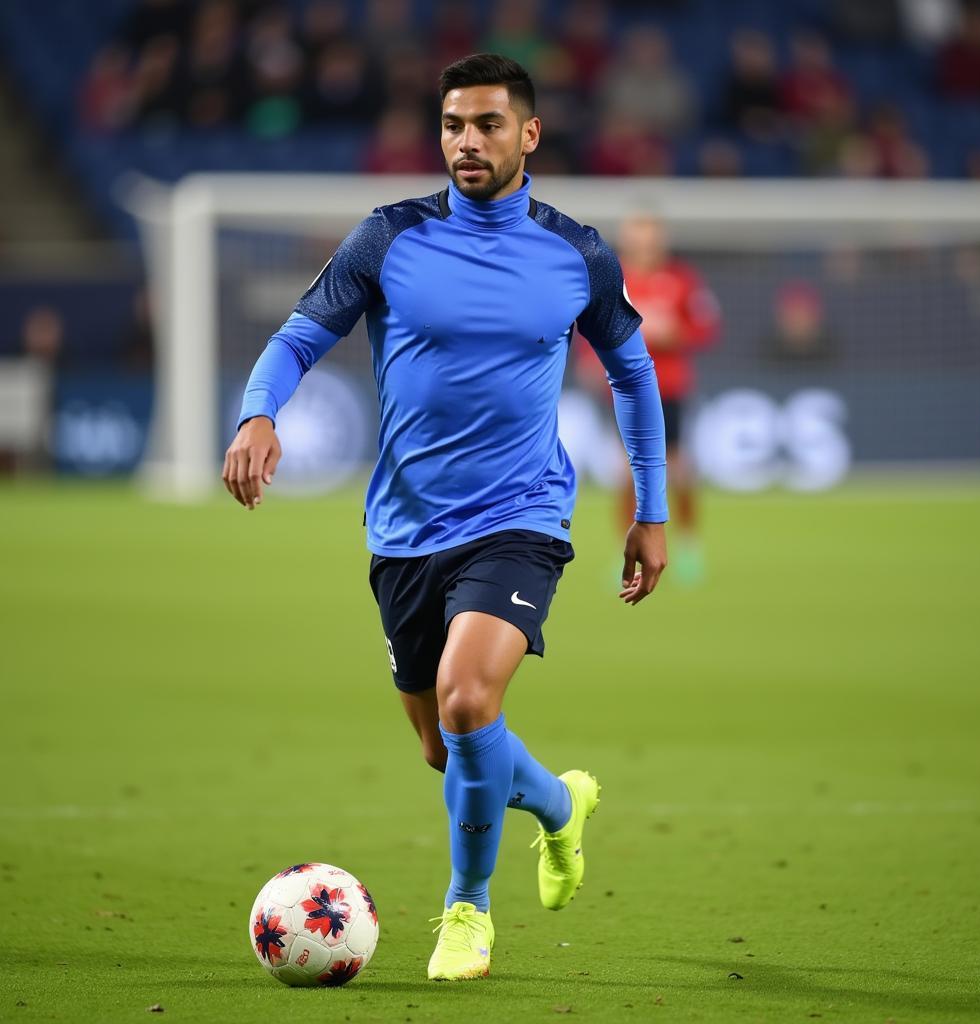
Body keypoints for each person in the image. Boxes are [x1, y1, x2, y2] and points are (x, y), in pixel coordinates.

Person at [223, 53, 668, 982]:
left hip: (523, 516)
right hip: (405, 530)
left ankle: (466, 911)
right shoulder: (389, 238)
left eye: (489, 125)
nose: (468, 141)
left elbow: (633, 373)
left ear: (529, 134)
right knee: (443, 746)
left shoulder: (575, 251)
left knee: (470, 701)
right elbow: (299, 337)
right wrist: (260, 411)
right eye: (455, 125)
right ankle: (557, 805)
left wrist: (650, 509)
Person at [579, 213, 718, 583]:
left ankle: (688, 546)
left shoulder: (682, 279)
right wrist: (591, 362)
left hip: (668, 387)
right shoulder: (612, 278)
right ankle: (624, 551)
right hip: (624, 389)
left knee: (679, 468)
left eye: (650, 237)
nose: (643, 245)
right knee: (625, 472)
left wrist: (673, 332)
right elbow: (588, 327)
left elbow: (705, 327)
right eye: (636, 237)